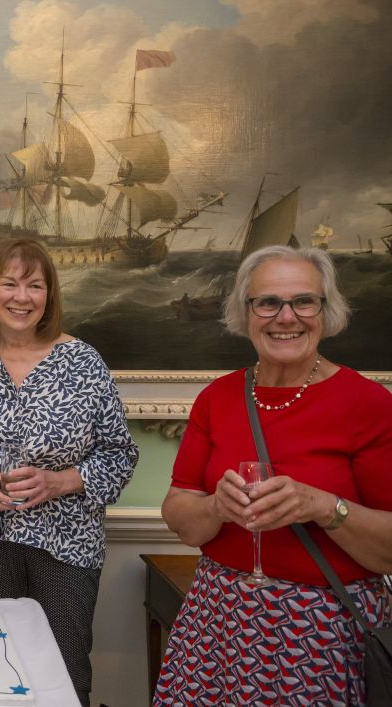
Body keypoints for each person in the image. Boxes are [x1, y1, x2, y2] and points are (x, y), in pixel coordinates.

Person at [154, 245, 392, 705]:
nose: (287, 317)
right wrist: (215, 506)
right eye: (268, 302)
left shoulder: (369, 405)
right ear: (245, 314)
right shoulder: (217, 398)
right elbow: (181, 516)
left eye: (304, 301)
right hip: (217, 621)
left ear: (326, 312)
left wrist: (325, 507)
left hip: (321, 632)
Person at [0, 238, 138, 707]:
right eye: (10, 283)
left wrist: (60, 481)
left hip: (66, 544)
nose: (22, 297)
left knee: (63, 671)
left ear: (49, 296)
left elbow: (120, 455)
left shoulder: (84, 362)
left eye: (35, 285)